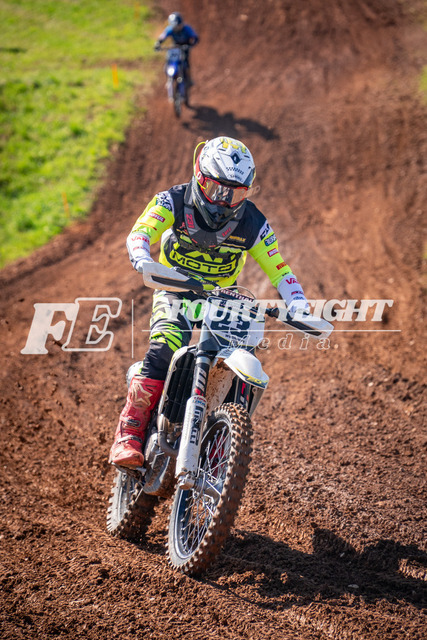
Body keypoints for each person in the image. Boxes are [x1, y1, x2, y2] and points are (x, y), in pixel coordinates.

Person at [109, 136, 310, 469]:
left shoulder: (253, 224)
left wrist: (298, 301)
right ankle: (129, 432)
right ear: (200, 178)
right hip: (174, 288)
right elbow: (140, 232)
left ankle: (218, 442)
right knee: (163, 348)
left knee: (239, 361)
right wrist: (143, 257)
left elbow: (280, 269)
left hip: (220, 299)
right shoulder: (173, 201)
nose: (224, 202)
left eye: (236, 194)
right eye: (217, 190)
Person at [154, 11, 199, 86]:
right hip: (175, 46)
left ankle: (189, 79)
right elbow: (162, 37)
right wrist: (158, 43)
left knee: (186, 63)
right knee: (168, 61)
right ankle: (169, 77)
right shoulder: (170, 29)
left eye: (178, 26)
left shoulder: (187, 29)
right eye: (175, 27)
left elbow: (195, 37)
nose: (177, 28)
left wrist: (192, 44)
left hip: (185, 47)